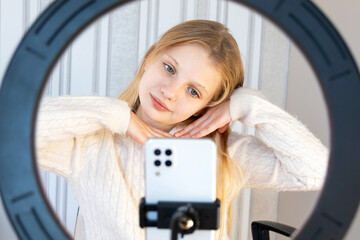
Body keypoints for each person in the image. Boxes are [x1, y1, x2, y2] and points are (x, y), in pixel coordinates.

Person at [36, 20, 328, 240]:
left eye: (193, 91)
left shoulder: (224, 154)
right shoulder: (89, 142)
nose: (170, 93)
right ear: (151, 56)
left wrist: (249, 106)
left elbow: (317, 171)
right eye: (170, 68)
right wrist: (117, 116)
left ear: (206, 106)